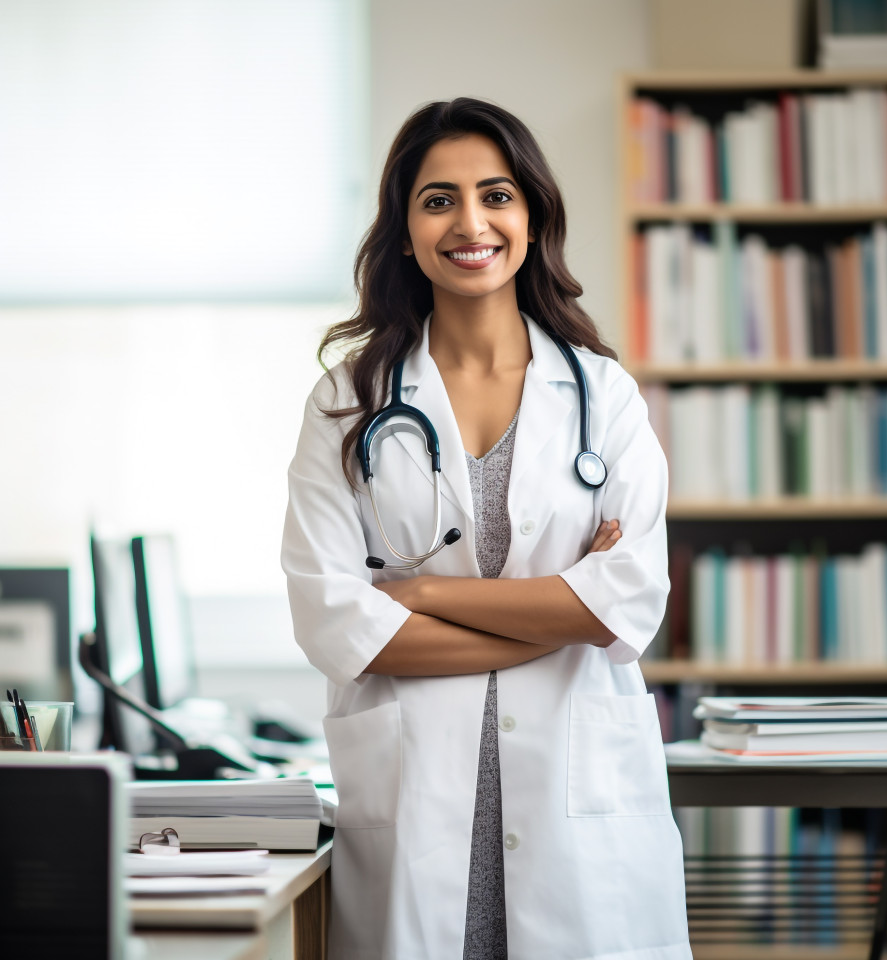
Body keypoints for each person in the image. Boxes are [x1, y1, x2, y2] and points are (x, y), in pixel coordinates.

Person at [281, 97, 691, 960]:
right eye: (439, 200)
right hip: (419, 820)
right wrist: (562, 612)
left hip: (577, 825)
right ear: (404, 231)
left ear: (532, 216)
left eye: (496, 195)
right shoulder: (347, 402)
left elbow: (626, 603)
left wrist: (420, 595)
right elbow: (336, 623)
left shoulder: (603, 396)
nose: (471, 223)